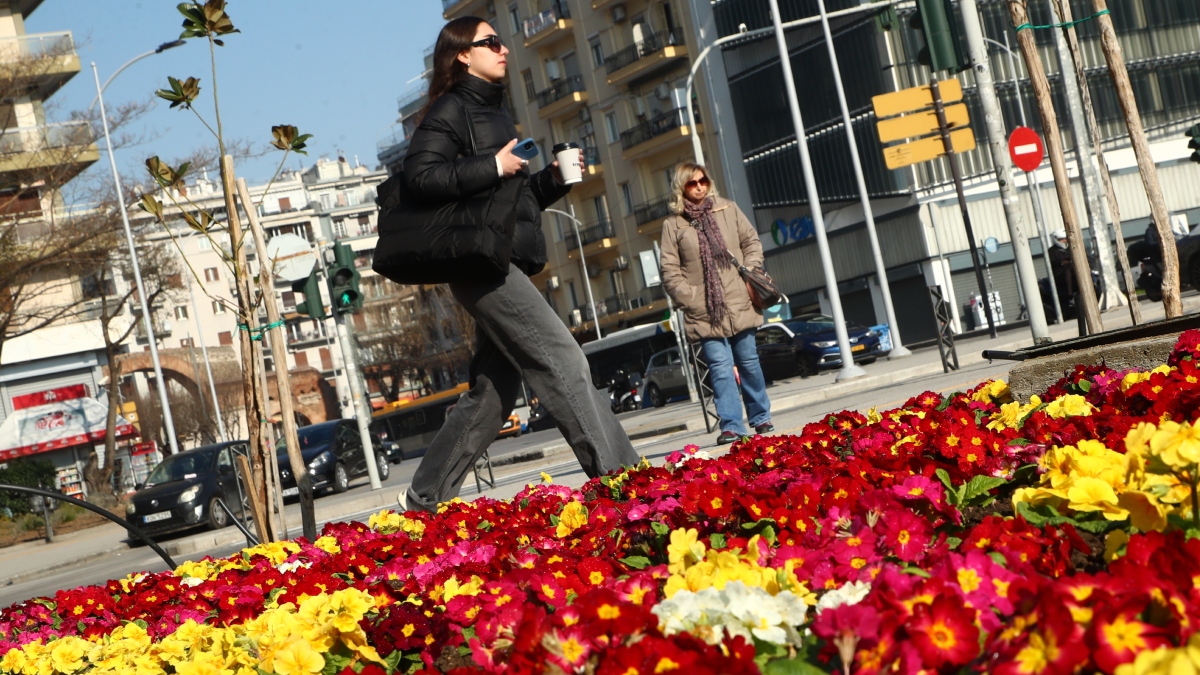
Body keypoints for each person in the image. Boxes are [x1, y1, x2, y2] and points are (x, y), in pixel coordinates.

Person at [397, 17, 639, 513]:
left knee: (492, 396)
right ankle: (622, 483)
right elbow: (419, 178)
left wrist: (551, 180)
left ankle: (424, 500)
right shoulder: (452, 109)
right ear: (462, 55)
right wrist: (492, 166)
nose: (503, 49)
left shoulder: (494, 113)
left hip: (497, 257)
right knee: (563, 359)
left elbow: (510, 203)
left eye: (501, 42)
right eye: (491, 43)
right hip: (479, 266)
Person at [660, 162, 773, 445]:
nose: (699, 186)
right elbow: (670, 270)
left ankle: (760, 417)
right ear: (681, 187)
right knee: (721, 368)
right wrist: (691, 298)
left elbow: (751, 242)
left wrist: (750, 270)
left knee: (749, 362)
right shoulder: (673, 224)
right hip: (704, 310)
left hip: (739, 300)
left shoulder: (728, 209)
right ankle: (732, 425)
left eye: (703, 181)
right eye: (692, 183)